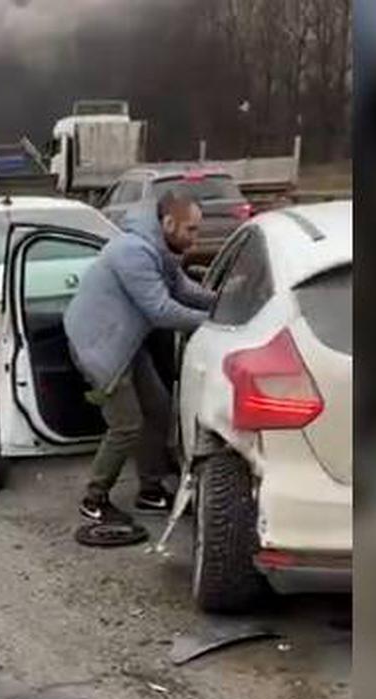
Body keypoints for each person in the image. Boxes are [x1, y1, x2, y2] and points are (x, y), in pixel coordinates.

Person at [64, 185, 215, 525]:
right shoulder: (133, 252)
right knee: (126, 424)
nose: (195, 238)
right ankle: (94, 497)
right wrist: (214, 322)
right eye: (190, 229)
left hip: (126, 342)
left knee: (159, 409)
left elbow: (182, 289)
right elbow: (161, 310)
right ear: (167, 224)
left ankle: (151, 490)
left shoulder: (157, 249)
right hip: (99, 347)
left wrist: (219, 301)